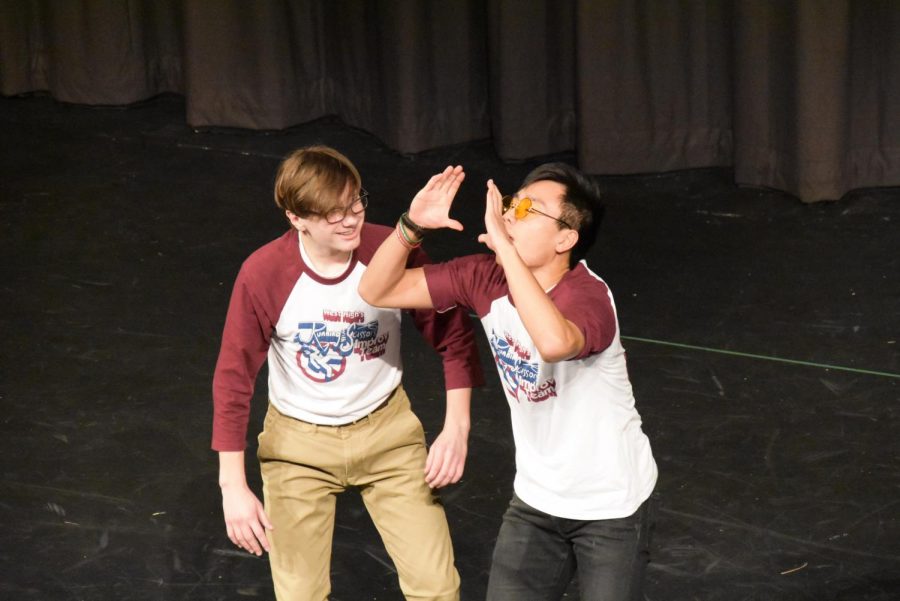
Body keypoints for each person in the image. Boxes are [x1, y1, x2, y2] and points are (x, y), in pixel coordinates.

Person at [358, 162, 658, 601]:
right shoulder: (485, 277)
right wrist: (411, 227)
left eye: (528, 210)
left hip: (611, 505)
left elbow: (554, 341)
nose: (509, 216)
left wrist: (506, 249)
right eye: (512, 204)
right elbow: (376, 291)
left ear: (565, 238)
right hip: (536, 500)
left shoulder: (589, 295)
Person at [211, 146, 483, 601]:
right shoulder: (263, 273)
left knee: (437, 587)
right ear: (296, 218)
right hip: (298, 446)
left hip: (388, 435)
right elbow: (234, 378)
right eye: (332, 213)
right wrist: (232, 486)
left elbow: (452, 335)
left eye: (356, 203)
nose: (350, 220)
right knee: (299, 594)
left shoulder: (389, 249)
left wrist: (457, 427)